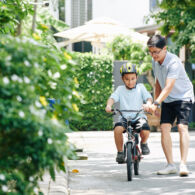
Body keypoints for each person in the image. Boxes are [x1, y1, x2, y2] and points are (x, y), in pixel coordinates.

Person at [146, 34, 194, 176]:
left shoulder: (174, 62)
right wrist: (157, 104)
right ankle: (170, 165)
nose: (153, 55)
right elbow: (158, 83)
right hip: (167, 99)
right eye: (151, 52)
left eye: (156, 52)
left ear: (164, 49)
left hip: (183, 96)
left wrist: (155, 103)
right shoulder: (155, 62)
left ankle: (183, 165)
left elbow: (168, 87)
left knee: (181, 127)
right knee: (165, 127)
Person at [105, 62, 153, 163]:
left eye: (133, 78)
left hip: (138, 116)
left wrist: (148, 104)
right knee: (117, 129)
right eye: (127, 79)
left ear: (136, 77)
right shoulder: (120, 89)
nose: (130, 82)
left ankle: (144, 143)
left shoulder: (141, 87)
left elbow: (148, 97)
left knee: (145, 129)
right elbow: (112, 98)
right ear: (123, 79)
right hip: (124, 117)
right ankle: (120, 152)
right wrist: (109, 105)